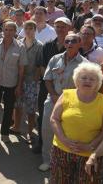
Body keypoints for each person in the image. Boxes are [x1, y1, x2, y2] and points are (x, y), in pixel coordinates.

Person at [39, 32, 88, 172]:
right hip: (53, 99)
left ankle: (63, 162)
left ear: (80, 44)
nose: (69, 44)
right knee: (47, 130)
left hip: (73, 103)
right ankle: (47, 160)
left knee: (67, 132)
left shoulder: (85, 64)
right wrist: (53, 94)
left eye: (73, 41)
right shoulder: (55, 59)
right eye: (67, 41)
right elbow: (47, 79)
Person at [50, 62, 103, 183]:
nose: (88, 81)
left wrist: (90, 146)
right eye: (84, 77)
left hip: (90, 154)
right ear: (76, 80)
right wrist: (64, 139)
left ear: (98, 83)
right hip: (61, 150)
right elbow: (54, 118)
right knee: (59, 181)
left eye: (92, 79)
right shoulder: (67, 95)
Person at [32, 17, 72, 154]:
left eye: (63, 26)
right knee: (43, 115)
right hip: (46, 86)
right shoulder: (47, 45)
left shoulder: (73, 45)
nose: (60, 29)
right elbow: (42, 66)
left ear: (69, 28)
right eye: (58, 26)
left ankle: (59, 147)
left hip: (66, 88)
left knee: (63, 118)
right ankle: (42, 143)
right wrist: (51, 83)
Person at [0, 21, 27, 143]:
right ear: (3, 30)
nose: (8, 32)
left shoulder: (20, 46)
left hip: (11, 83)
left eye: (11, 30)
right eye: (6, 30)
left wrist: (19, 86)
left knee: (9, 109)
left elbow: (21, 69)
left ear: (15, 31)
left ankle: (5, 133)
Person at [11, 20, 43, 142]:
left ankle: (30, 132)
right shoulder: (19, 44)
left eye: (31, 29)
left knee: (31, 109)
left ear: (35, 30)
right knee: (17, 105)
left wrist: (35, 80)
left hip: (32, 81)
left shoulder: (40, 45)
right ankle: (16, 127)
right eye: (26, 29)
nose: (28, 31)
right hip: (19, 79)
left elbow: (40, 65)